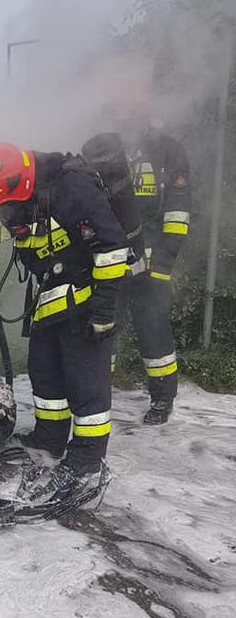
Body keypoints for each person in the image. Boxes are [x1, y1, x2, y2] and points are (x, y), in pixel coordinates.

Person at [0, 143, 130, 498]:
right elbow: (7, 227)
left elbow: (112, 247)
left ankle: (87, 460)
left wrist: (104, 309)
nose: (3, 214)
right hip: (53, 297)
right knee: (45, 373)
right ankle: (49, 441)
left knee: (85, 384)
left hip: (87, 299)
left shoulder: (73, 188)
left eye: (3, 205)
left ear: (18, 189)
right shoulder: (24, 198)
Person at [108, 88, 191, 424]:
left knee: (153, 328)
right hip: (110, 262)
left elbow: (178, 211)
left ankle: (162, 399)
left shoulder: (168, 151)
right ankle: (96, 395)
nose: (126, 121)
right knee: (103, 329)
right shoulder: (105, 152)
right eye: (120, 115)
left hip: (153, 262)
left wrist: (165, 263)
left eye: (132, 115)